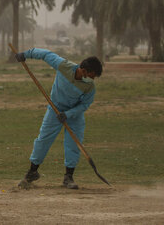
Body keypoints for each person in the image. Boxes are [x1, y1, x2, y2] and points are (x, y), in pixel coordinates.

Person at [15, 47, 103, 190]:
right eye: (92, 75)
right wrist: (25, 54)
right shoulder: (63, 66)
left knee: (73, 144)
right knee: (43, 139)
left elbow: (84, 105)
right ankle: (32, 172)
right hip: (54, 110)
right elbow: (45, 54)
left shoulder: (90, 88)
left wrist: (68, 114)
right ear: (84, 70)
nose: (92, 79)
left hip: (74, 115)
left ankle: (68, 177)